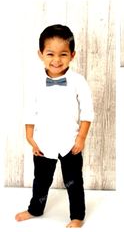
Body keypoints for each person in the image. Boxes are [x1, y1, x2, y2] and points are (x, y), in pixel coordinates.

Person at [15, 24, 94, 228]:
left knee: (74, 182)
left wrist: (81, 138)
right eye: (50, 54)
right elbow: (29, 110)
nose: (57, 60)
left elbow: (87, 111)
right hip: (43, 142)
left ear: (72, 55)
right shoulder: (35, 81)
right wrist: (30, 137)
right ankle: (36, 209)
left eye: (63, 54)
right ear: (40, 54)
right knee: (40, 181)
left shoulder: (78, 81)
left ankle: (77, 215)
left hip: (70, 142)